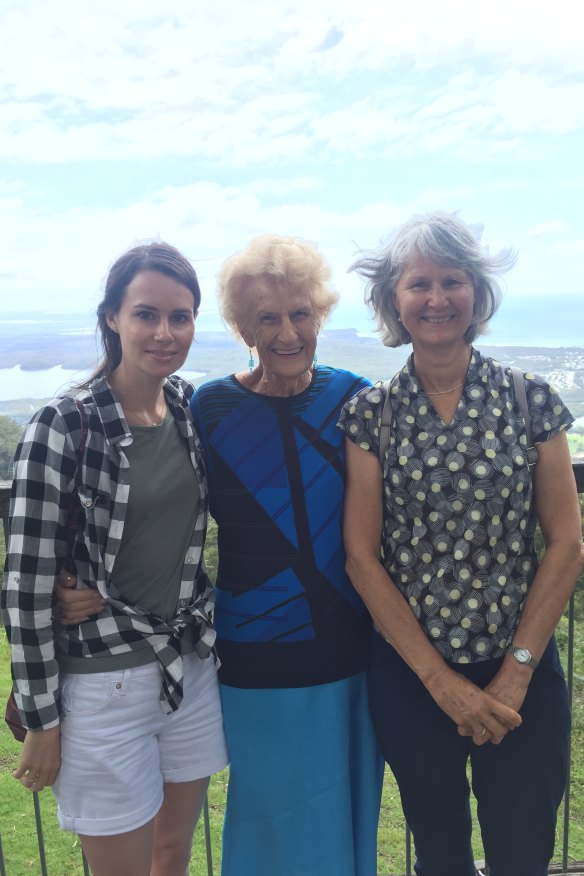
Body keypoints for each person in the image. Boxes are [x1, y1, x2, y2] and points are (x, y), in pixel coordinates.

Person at [56, 234, 384, 875]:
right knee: (268, 813)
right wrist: (69, 581)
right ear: (243, 327)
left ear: (320, 315)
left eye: (301, 314)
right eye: (268, 317)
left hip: (353, 648)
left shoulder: (355, 398)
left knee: (346, 809)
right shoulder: (208, 407)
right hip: (254, 653)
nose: (287, 332)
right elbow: (140, 494)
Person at [338, 212, 584, 876]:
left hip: (523, 672)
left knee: (523, 852)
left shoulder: (531, 400)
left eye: (453, 281)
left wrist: (517, 672)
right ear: (394, 299)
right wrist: (440, 683)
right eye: (420, 283)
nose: (437, 298)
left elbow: (566, 543)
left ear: (477, 294)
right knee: (439, 855)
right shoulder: (371, 415)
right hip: (414, 677)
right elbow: (361, 556)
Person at [2, 242, 228, 876]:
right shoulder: (64, 424)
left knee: (172, 856)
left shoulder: (185, 408)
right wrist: (43, 722)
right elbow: (24, 586)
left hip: (186, 667)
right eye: (146, 314)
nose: (164, 332)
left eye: (180, 317)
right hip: (102, 685)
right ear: (112, 318)